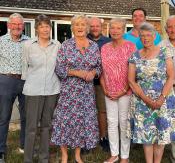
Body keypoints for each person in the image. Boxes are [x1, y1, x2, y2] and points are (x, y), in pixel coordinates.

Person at [51, 15, 101, 163]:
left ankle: (78, 154)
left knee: (81, 122)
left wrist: (93, 73)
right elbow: (59, 68)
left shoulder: (94, 46)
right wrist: (76, 72)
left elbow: (99, 67)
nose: (80, 27)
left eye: (82, 25)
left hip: (86, 92)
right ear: (72, 28)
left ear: (87, 28)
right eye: (77, 25)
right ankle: (65, 155)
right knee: (64, 121)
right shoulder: (66, 45)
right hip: (69, 91)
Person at [128, 22, 175, 163]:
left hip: (163, 99)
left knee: (160, 133)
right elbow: (132, 81)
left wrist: (161, 98)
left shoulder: (164, 52)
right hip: (142, 101)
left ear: (154, 36)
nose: (145, 38)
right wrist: (146, 99)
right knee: (147, 135)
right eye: (142, 36)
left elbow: (171, 76)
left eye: (148, 35)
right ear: (139, 37)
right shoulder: (134, 56)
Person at [22, 14, 60, 163]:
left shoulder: (57, 45)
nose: (45, 29)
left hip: (52, 90)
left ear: (50, 28)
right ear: (36, 28)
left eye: (47, 26)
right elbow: (24, 67)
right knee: (31, 128)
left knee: (46, 126)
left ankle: (44, 158)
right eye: (42, 26)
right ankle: (28, 159)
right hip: (33, 91)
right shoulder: (28, 45)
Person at [101, 18, 136, 163]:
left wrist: (124, 90)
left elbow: (134, 72)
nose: (115, 31)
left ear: (123, 30)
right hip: (109, 92)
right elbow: (101, 72)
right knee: (111, 122)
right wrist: (105, 90)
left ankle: (125, 156)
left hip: (125, 92)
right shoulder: (104, 48)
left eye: (118, 28)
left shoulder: (131, 46)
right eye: (112, 28)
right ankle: (114, 154)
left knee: (123, 123)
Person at [0, 13, 29, 163]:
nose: (17, 27)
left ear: (23, 26)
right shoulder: (1, 41)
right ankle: (1, 150)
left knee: (26, 116)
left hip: (25, 81)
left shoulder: (29, 42)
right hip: (5, 80)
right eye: (15, 24)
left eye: (20, 24)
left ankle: (24, 146)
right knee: (4, 117)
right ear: (8, 25)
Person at [87, 17, 111, 151]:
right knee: (87, 111)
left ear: (101, 27)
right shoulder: (83, 40)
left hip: (102, 83)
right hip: (85, 82)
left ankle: (103, 138)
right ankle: (87, 139)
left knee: (102, 111)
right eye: (92, 26)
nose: (95, 28)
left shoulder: (108, 42)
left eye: (97, 26)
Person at [160, 15, 175, 163]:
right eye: (170, 27)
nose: (172, 30)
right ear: (166, 29)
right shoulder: (161, 46)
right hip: (170, 90)